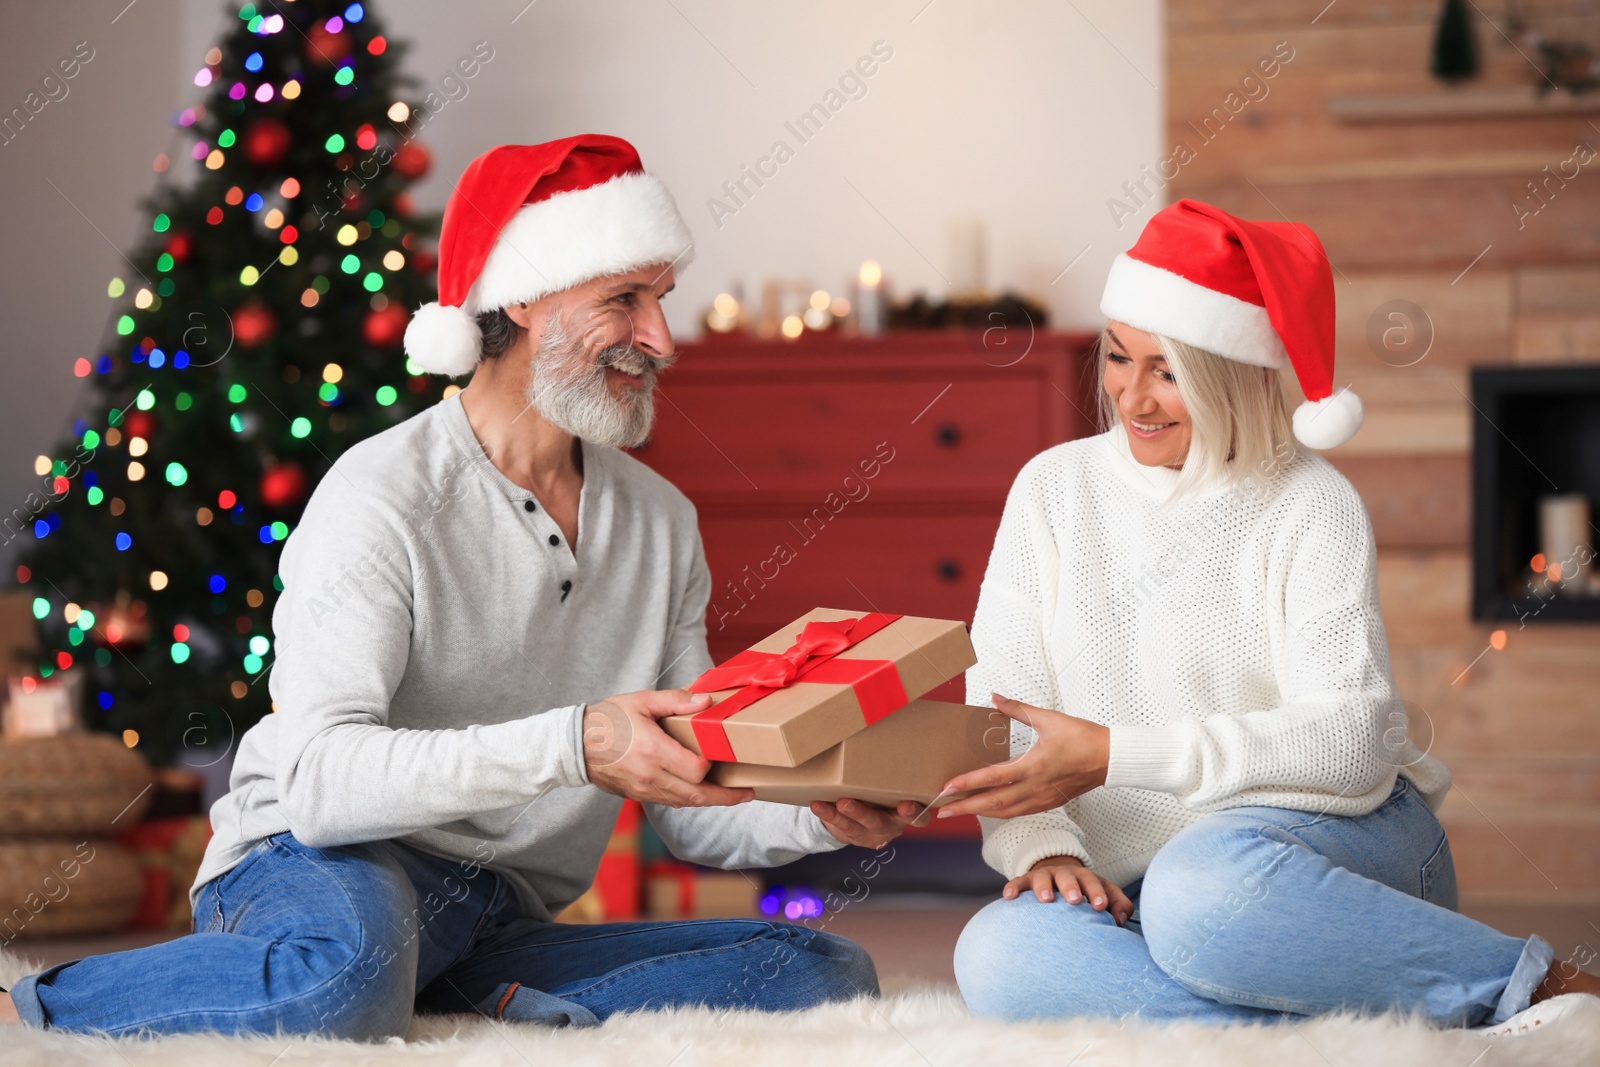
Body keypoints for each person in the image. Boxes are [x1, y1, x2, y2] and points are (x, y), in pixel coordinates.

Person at [1, 136, 913, 1039]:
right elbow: (319, 781)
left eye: (661, 299)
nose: (662, 339)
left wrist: (821, 811)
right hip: (320, 862)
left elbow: (693, 797)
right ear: (521, 295)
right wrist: (574, 743)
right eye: (624, 299)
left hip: (497, 914)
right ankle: (29, 1006)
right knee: (348, 968)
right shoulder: (383, 495)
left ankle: (433, 992)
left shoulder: (662, 521)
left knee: (816, 969)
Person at [937, 199, 1600, 1033]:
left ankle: (1536, 985)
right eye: (1117, 358)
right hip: (1139, 889)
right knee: (999, 954)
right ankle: (1323, 1029)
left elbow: (1353, 742)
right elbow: (1001, 704)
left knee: (1199, 889)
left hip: (1321, 856)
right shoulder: (1053, 490)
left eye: (1166, 371)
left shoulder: (1311, 502)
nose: (1130, 396)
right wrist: (1044, 845)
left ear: (1232, 372)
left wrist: (1116, 756)